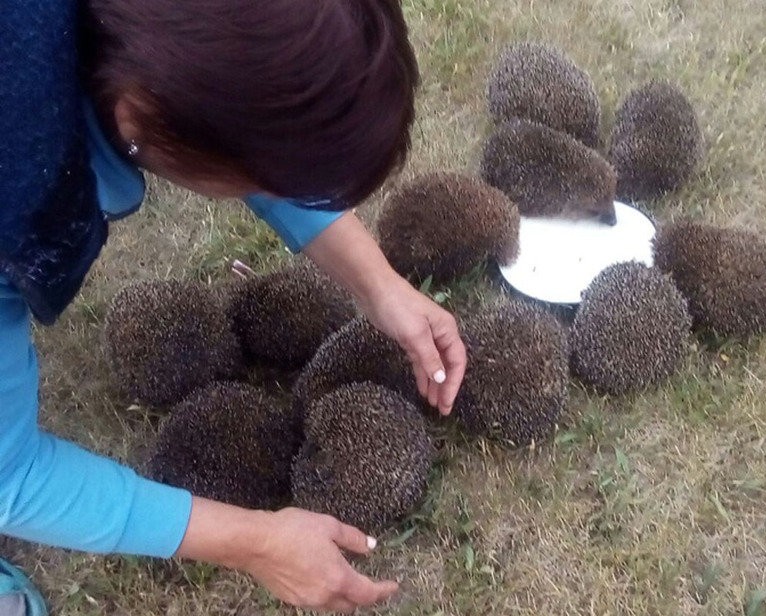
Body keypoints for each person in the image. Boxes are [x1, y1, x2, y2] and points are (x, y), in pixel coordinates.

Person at [0, 1, 467, 613]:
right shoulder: (15, 200)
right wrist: (255, 543)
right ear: (143, 118)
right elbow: (11, 477)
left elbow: (242, 128)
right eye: (270, 183)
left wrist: (380, 286)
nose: (277, 193)